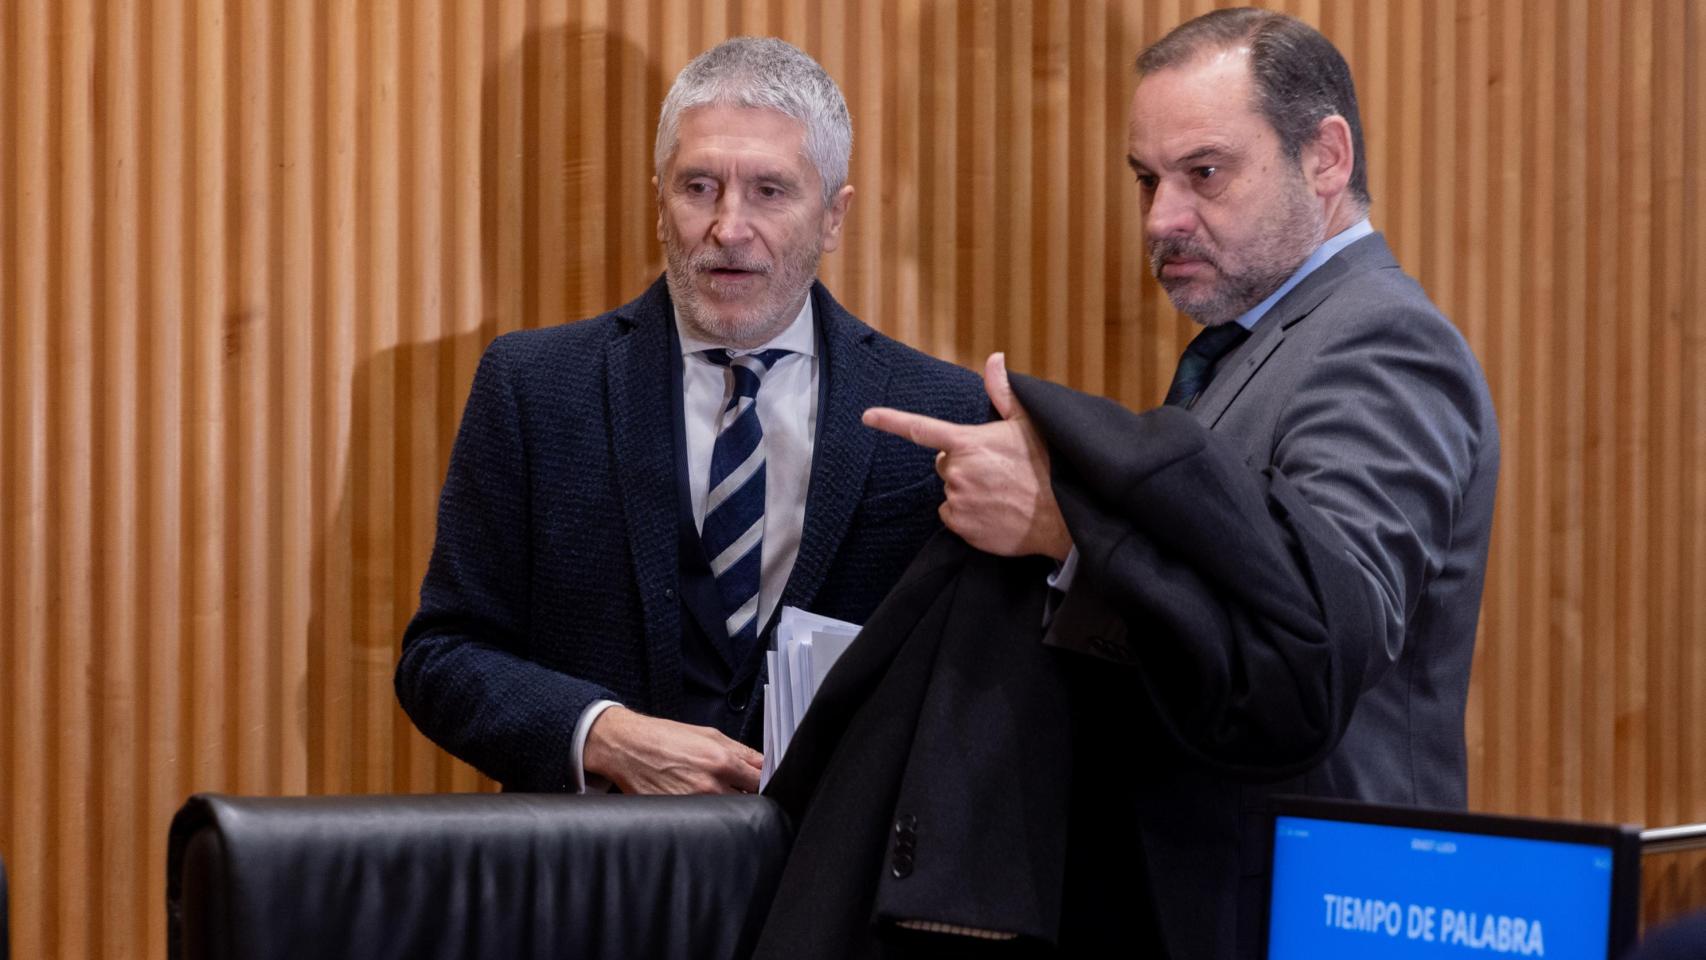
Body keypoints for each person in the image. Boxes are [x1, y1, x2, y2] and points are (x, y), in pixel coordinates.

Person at [855, 8, 1500, 955]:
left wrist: (1066, 527)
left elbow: (1316, 637)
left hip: (1325, 909)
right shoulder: (1242, 350)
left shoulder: (1380, 342)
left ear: (1324, 158)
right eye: (1148, 181)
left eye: (1204, 173)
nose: (1161, 219)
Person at [396, 36, 986, 796]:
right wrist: (600, 733)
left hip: (836, 893)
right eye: (699, 186)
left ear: (834, 217)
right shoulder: (532, 388)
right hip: (599, 888)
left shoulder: (941, 412)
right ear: (659, 201)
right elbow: (440, 656)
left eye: (770, 192)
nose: (728, 228)